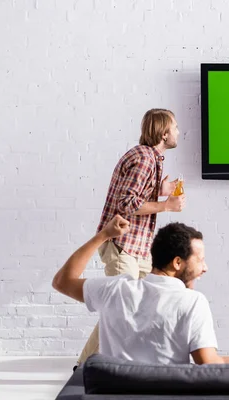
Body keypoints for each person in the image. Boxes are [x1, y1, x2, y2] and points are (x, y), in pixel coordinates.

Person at [53, 215, 229, 365]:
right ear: (177, 263)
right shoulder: (193, 302)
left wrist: (104, 236)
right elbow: (210, 366)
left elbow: (62, 281)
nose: (205, 267)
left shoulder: (114, 289)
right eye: (200, 260)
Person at [76, 109, 187, 366]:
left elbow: (133, 191)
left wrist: (160, 189)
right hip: (123, 245)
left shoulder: (147, 157)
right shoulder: (146, 159)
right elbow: (126, 203)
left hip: (138, 249)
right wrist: (167, 205)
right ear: (164, 133)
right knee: (118, 309)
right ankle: (83, 368)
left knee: (138, 305)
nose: (179, 132)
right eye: (176, 127)